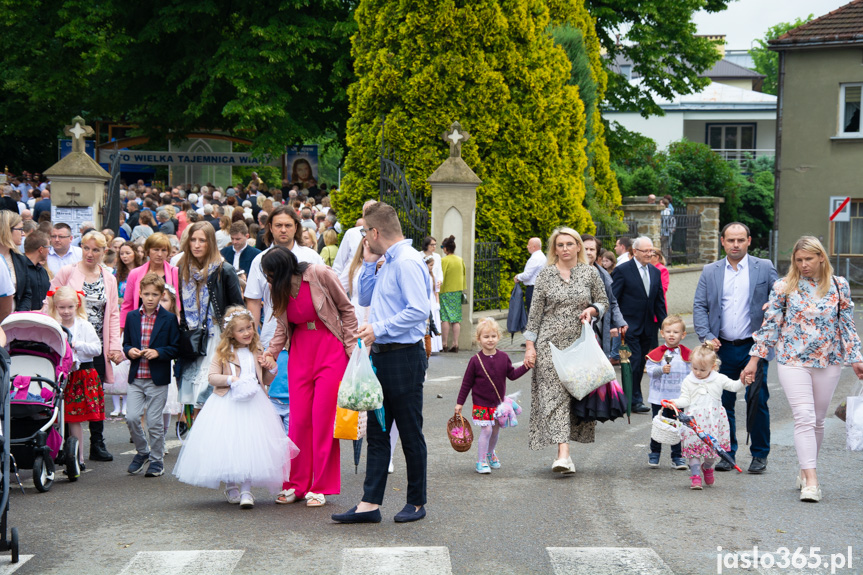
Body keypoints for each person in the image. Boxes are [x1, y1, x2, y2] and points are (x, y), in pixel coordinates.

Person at [742, 236, 863, 502]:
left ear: (821, 257)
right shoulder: (784, 287)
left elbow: (847, 325)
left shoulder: (839, 286)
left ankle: (804, 467)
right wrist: (754, 360)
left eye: (809, 259)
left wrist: (856, 357)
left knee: (818, 420)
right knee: (805, 417)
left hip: (828, 361)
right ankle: (811, 479)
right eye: (799, 260)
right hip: (792, 360)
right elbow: (770, 325)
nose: (804, 264)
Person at [331, 203, 430, 524]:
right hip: (383, 356)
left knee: (410, 431)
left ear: (374, 232)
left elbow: (419, 310)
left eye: (365, 233)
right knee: (378, 430)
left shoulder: (408, 262)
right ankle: (369, 505)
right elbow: (364, 297)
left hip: (404, 356)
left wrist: (379, 328)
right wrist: (371, 263)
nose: (363, 240)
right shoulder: (388, 260)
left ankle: (416, 502)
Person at [173, 306, 298, 509]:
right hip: (227, 403)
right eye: (241, 330)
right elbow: (212, 377)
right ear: (231, 333)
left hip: (254, 404)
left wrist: (271, 368)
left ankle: (247, 490)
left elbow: (264, 380)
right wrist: (231, 379)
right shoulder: (223, 353)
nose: (247, 333)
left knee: (250, 445)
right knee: (229, 445)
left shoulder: (257, 351)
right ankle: (232, 486)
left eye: (249, 328)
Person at [260, 247, 358, 508]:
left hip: (330, 350)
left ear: (282, 271)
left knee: (323, 420)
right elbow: (282, 327)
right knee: (299, 421)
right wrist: (270, 352)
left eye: (270, 275)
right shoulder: (277, 290)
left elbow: (347, 310)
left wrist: (351, 350)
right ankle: (296, 484)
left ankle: (321, 486)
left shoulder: (319, 274)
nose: (267, 281)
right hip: (300, 353)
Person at [692, 222, 778, 474]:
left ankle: (760, 454)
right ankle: (726, 453)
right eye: (731, 240)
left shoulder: (764, 267)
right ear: (722, 241)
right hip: (722, 348)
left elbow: (777, 302)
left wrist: (768, 337)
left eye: (740, 240)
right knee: (722, 402)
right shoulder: (710, 271)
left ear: (749, 241)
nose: (735, 245)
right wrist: (706, 335)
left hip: (755, 347)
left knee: (758, 400)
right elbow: (699, 306)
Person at [522, 227, 608, 474]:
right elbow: (535, 313)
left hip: (579, 344)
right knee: (555, 396)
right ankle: (563, 454)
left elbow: (604, 302)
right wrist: (530, 347)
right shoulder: (545, 275)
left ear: (578, 246)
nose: (565, 249)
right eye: (560, 245)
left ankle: (564, 452)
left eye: (570, 244)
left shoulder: (589, 273)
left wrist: (592, 311)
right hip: (549, 344)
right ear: (554, 249)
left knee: (575, 395)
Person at [47, 231, 122, 462]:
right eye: (87, 248)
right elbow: (49, 301)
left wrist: (114, 345)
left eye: (96, 250)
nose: (90, 254)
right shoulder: (68, 271)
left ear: (104, 252)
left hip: (94, 341)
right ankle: (63, 445)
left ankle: (96, 443)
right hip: (66, 342)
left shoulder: (108, 277)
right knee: (64, 393)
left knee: (94, 394)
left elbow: (113, 313)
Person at [176, 222, 244, 407]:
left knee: (209, 391)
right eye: (193, 240)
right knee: (191, 396)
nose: (197, 245)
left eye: (202, 240)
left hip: (217, 336)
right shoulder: (183, 269)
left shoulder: (224, 270)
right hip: (193, 338)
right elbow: (182, 308)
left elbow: (238, 309)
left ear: (211, 243)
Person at [122, 273, 180, 478]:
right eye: (146, 293)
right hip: (137, 376)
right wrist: (129, 351)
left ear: (161, 295)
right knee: (130, 417)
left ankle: (156, 460)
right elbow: (126, 343)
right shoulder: (132, 317)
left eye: (154, 294)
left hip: (157, 378)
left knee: (155, 422)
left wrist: (159, 352)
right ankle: (142, 451)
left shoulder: (169, 318)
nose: (149, 298)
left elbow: (175, 347)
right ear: (139, 293)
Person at [455, 318, 529, 474]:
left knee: (495, 431)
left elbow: (512, 375)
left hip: (497, 404)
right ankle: (480, 461)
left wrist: (526, 367)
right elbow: (466, 383)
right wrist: (459, 403)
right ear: (479, 339)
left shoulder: (503, 357)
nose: (490, 340)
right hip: (481, 404)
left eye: (493, 336)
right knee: (487, 430)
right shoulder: (475, 361)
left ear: (499, 337)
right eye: (486, 336)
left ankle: (490, 452)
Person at [669, 342, 746, 490]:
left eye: (702, 370)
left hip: (714, 421)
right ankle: (695, 475)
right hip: (694, 422)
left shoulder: (719, 378)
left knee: (712, 452)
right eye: (695, 368)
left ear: (713, 367)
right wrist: (675, 402)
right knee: (694, 450)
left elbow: (734, 386)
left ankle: (707, 467)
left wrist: (742, 381)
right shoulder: (688, 381)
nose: (697, 372)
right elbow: (685, 399)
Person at [47, 287, 103, 474]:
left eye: (70, 307)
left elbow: (97, 349)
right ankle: (57, 452)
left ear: (76, 305)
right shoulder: (54, 324)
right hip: (60, 375)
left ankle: (78, 458)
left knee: (74, 419)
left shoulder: (83, 325)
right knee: (56, 416)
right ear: (55, 306)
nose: (66, 311)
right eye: (62, 307)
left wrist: (76, 345)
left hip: (81, 375)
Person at [612, 236, 667, 414]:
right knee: (633, 362)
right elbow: (614, 299)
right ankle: (634, 399)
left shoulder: (655, 272)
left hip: (648, 326)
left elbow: (659, 301)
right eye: (645, 251)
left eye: (651, 251)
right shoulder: (622, 271)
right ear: (634, 252)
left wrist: (664, 326)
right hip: (628, 326)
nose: (649, 254)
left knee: (641, 362)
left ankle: (629, 397)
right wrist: (616, 323)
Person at [645, 315, 691, 469]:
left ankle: (677, 457)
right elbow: (650, 371)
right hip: (659, 398)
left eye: (676, 332)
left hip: (678, 399)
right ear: (662, 333)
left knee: (677, 427)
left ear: (683, 335)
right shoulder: (657, 353)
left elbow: (692, 373)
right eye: (668, 331)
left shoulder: (687, 355)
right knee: (658, 425)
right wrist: (661, 369)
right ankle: (655, 453)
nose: (672, 335)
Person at [581, 235, 626, 367]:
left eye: (592, 249)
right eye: (585, 249)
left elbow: (612, 301)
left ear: (597, 253)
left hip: (599, 328)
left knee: (597, 369)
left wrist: (619, 322)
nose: (588, 252)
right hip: (579, 327)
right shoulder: (570, 272)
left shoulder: (604, 275)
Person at [120, 233, 180, 329]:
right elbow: (127, 304)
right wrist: (121, 330)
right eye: (156, 249)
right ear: (147, 251)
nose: (159, 254)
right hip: (140, 326)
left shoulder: (175, 272)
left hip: (168, 327)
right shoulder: (135, 273)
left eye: (164, 250)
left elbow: (178, 302)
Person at [332, 200, 377, 276]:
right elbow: (339, 264)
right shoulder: (351, 233)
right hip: (351, 281)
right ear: (363, 214)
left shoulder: (383, 235)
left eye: (373, 211)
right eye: (367, 211)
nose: (370, 214)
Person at [0, 211, 32, 311]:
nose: (23, 234)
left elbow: (26, 294)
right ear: (7, 230)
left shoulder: (21, 259)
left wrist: (18, 316)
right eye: (20, 229)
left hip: (13, 321)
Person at [439, 235, 466, 353]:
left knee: (445, 317)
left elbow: (441, 275)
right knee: (456, 318)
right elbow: (463, 275)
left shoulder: (443, 260)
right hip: (457, 291)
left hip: (445, 291)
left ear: (445, 248)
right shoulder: (460, 260)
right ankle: (456, 343)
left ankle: (444, 344)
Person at [514, 237, 545, 312]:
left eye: (529, 245)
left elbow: (527, 275)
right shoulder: (542, 256)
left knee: (532, 313)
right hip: (540, 288)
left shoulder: (535, 258)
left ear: (534, 247)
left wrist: (517, 276)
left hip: (533, 289)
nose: (527, 246)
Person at [23, 231, 51, 310]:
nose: (49, 251)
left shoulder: (43, 271)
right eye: (48, 247)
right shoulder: (19, 269)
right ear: (41, 249)